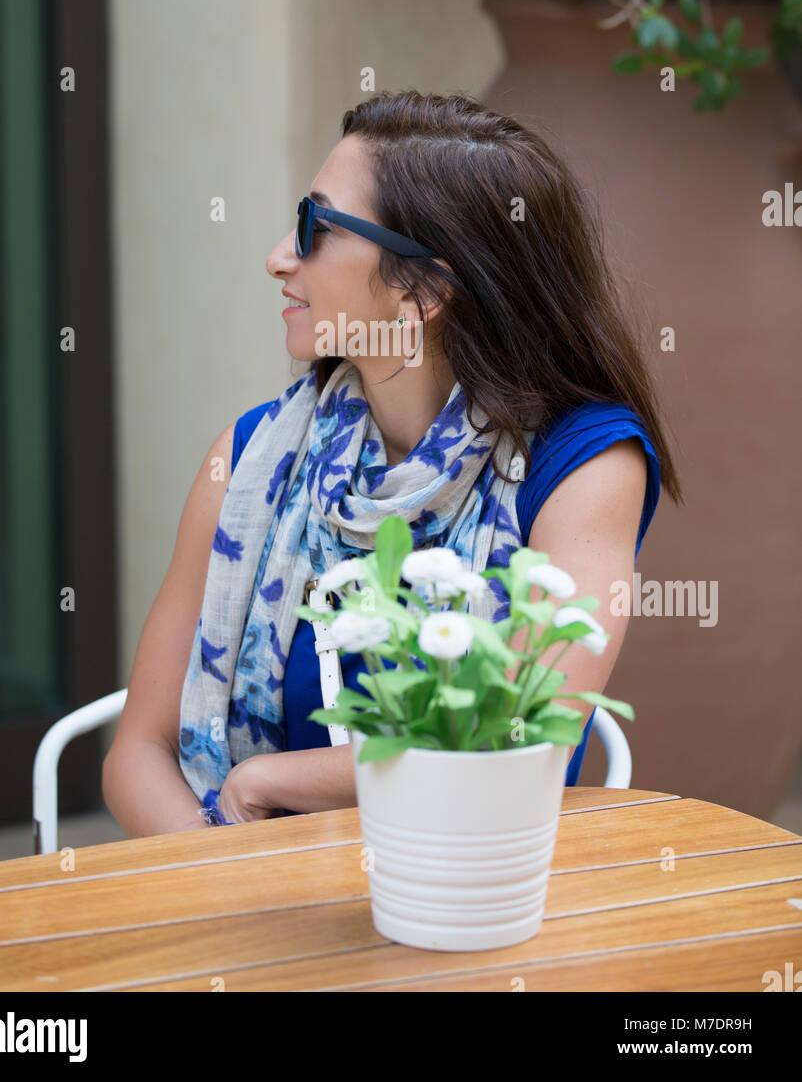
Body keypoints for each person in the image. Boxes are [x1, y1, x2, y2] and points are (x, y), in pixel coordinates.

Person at [103, 90, 682, 837]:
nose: (279, 255)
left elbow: (516, 735)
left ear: (425, 289)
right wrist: (229, 880)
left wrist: (267, 780)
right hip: (254, 904)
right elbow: (138, 750)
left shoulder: (581, 464)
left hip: (475, 907)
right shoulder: (251, 460)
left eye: (315, 227)